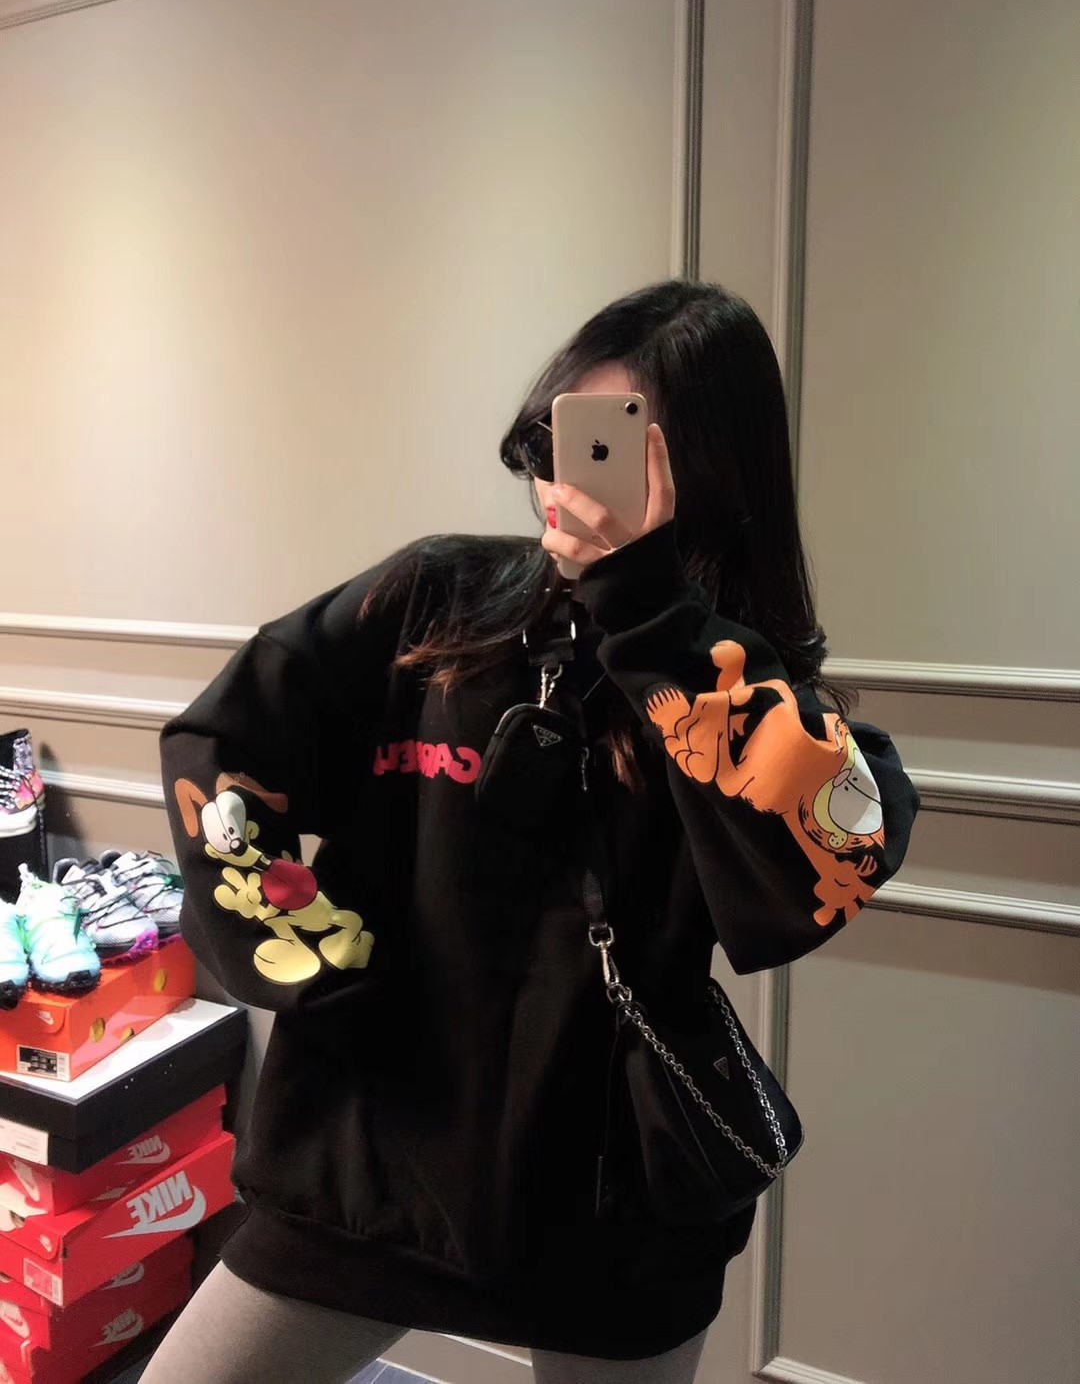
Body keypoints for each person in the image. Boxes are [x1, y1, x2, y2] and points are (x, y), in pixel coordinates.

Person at [145, 280, 918, 1384]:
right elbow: (228, 739)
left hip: (614, 1206)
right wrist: (286, 938)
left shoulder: (742, 686)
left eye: (615, 447)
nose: (569, 479)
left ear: (707, 471)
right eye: (560, 438)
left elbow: (823, 871)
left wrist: (650, 612)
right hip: (369, 1163)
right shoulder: (439, 599)